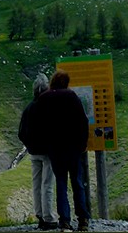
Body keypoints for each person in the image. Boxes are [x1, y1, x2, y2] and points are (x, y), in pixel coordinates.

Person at [34, 69, 91, 231]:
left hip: (55, 149)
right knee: (77, 182)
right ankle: (83, 219)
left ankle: (65, 220)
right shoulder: (72, 97)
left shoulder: (44, 99)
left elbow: (40, 125)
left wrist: (46, 144)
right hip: (73, 148)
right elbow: (83, 122)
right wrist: (82, 144)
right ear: (66, 82)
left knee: (61, 183)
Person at [18, 73, 58, 230]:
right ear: (46, 88)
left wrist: (29, 145)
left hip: (33, 152)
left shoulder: (29, 108)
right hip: (48, 152)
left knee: (36, 184)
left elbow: (21, 132)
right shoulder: (49, 107)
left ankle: (40, 216)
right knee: (47, 184)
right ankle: (49, 218)